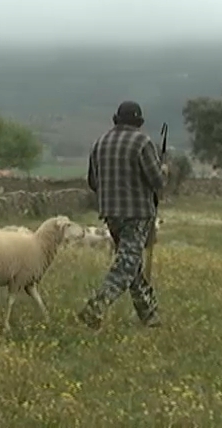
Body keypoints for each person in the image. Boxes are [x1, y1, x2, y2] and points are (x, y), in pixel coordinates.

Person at [77, 100, 168, 331]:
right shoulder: (142, 142)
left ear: (116, 119)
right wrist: (163, 169)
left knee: (131, 263)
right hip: (137, 214)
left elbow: (93, 182)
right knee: (126, 266)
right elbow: (157, 181)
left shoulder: (100, 143)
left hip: (110, 213)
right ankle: (96, 307)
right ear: (138, 122)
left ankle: (149, 315)